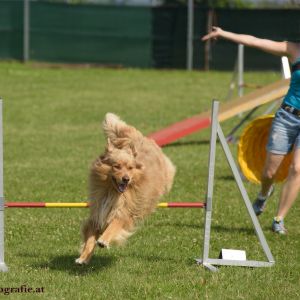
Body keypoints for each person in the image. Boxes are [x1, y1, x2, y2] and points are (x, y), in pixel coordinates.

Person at [202, 27, 300, 234]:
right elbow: (256, 41)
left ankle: (278, 219)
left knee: (298, 169)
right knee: (269, 172)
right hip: (288, 116)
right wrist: (224, 33)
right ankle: (264, 194)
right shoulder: (293, 49)